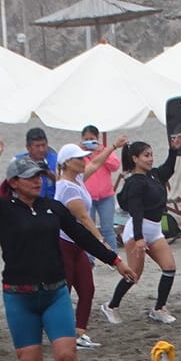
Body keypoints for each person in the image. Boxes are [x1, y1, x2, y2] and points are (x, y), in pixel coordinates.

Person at [0, 132, 136, 361]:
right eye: (30, 177)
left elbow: (82, 236)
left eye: (39, 176)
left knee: (67, 356)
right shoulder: (3, 210)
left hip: (54, 293)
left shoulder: (53, 208)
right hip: (19, 296)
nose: (37, 181)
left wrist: (115, 261)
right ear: (14, 183)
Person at [101, 135, 181, 326]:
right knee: (133, 274)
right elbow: (136, 211)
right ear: (135, 159)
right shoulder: (134, 182)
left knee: (169, 268)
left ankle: (158, 309)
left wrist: (173, 150)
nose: (150, 158)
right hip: (137, 230)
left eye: (151, 155)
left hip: (155, 230)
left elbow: (169, 169)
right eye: (146, 155)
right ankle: (111, 306)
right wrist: (139, 238)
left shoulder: (154, 175)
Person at [54, 142, 119, 350]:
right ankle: (63, 335)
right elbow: (83, 217)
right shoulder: (65, 187)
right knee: (66, 290)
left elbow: (97, 163)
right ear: (66, 163)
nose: (85, 161)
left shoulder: (78, 179)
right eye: (80, 159)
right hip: (64, 244)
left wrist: (112, 147)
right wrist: (101, 241)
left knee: (87, 289)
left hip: (76, 245)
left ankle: (79, 333)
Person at [80, 125, 125, 250]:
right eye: (86, 139)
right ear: (82, 139)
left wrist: (101, 153)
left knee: (107, 228)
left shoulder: (105, 151)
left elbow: (115, 166)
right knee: (88, 228)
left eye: (92, 139)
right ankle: (90, 259)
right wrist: (81, 151)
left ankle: (113, 256)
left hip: (106, 197)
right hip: (87, 196)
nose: (89, 142)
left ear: (97, 139)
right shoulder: (79, 154)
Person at [15, 127, 58, 198]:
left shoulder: (57, 160)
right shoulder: (18, 161)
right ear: (28, 147)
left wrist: (50, 175)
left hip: (53, 201)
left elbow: (66, 184)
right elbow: (12, 184)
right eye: (37, 146)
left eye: (43, 145)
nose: (41, 149)